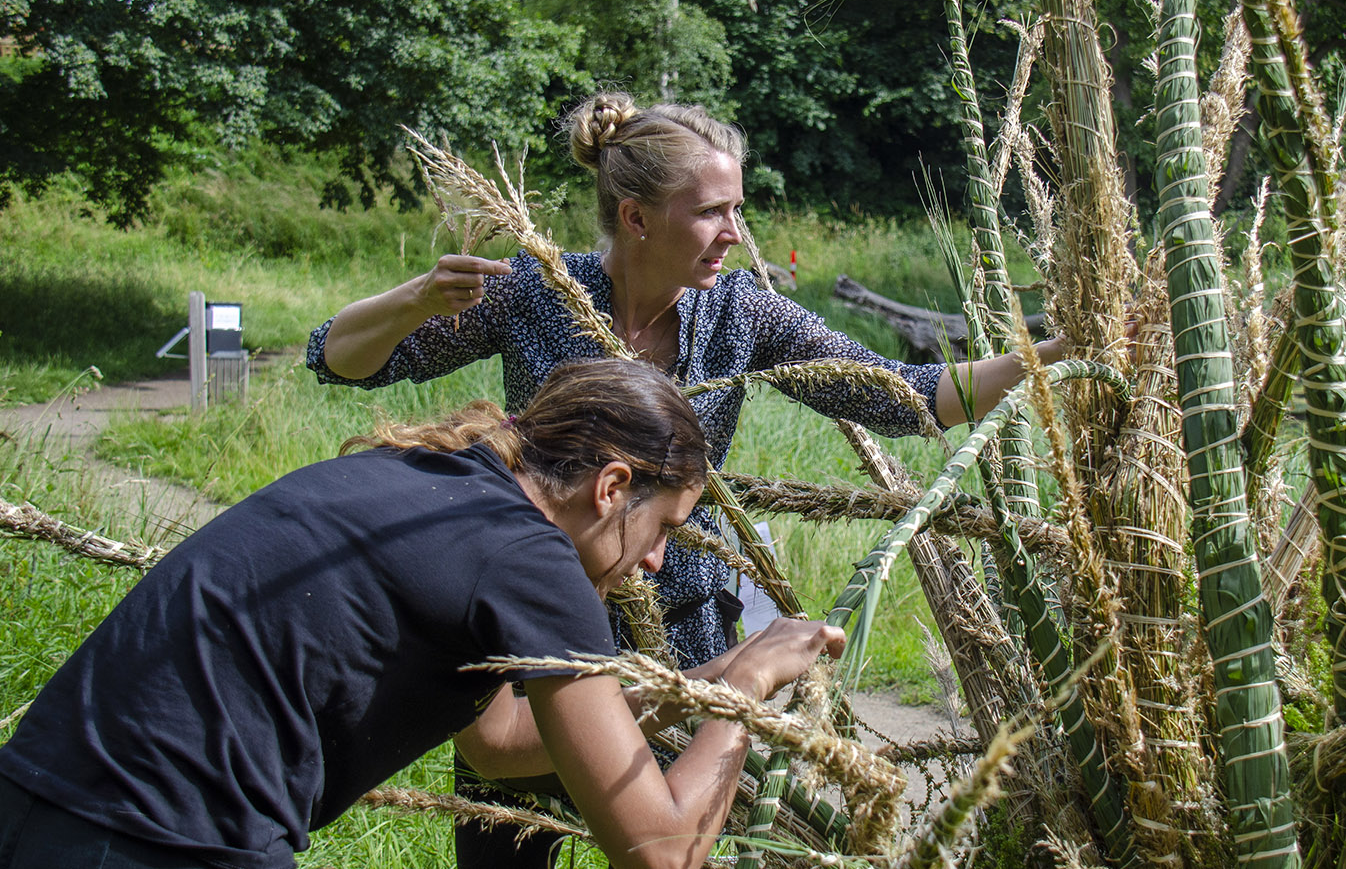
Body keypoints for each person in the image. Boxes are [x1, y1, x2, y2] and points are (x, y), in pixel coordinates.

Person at [305, 90, 1068, 866]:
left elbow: (905, 396)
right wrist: (415, 299)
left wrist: (1054, 355)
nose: (734, 234)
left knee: (673, 846)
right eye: (712, 213)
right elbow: (337, 360)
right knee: (507, 852)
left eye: (736, 209)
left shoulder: (743, 313)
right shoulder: (535, 292)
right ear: (636, 218)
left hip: (685, 633)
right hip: (531, 625)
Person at [0, 359, 846, 869]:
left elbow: (502, 741)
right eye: (663, 528)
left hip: (43, 800)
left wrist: (694, 687)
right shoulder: (532, 555)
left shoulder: (436, 485)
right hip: (158, 839)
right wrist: (745, 688)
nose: (657, 560)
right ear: (613, 486)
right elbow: (660, 853)